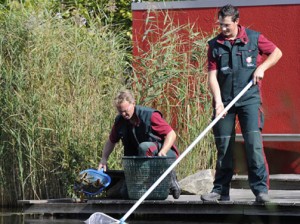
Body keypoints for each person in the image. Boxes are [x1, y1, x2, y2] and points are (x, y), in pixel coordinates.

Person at [201, 4, 282, 203]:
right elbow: (212, 76)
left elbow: (277, 53)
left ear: (237, 22)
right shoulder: (215, 45)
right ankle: (221, 190)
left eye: (227, 25)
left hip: (249, 99)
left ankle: (260, 191)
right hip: (225, 101)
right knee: (224, 146)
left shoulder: (253, 38)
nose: (223, 29)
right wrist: (218, 102)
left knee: (253, 145)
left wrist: (261, 67)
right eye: (220, 24)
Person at [98, 89, 181, 199]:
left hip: (164, 156)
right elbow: (111, 141)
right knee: (125, 194)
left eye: (125, 110)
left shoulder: (150, 115)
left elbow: (171, 134)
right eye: (120, 111)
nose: (123, 114)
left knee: (144, 147)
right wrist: (104, 159)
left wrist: (163, 151)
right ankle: (154, 184)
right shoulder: (120, 121)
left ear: (133, 103)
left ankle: (171, 178)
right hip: (141, 162)